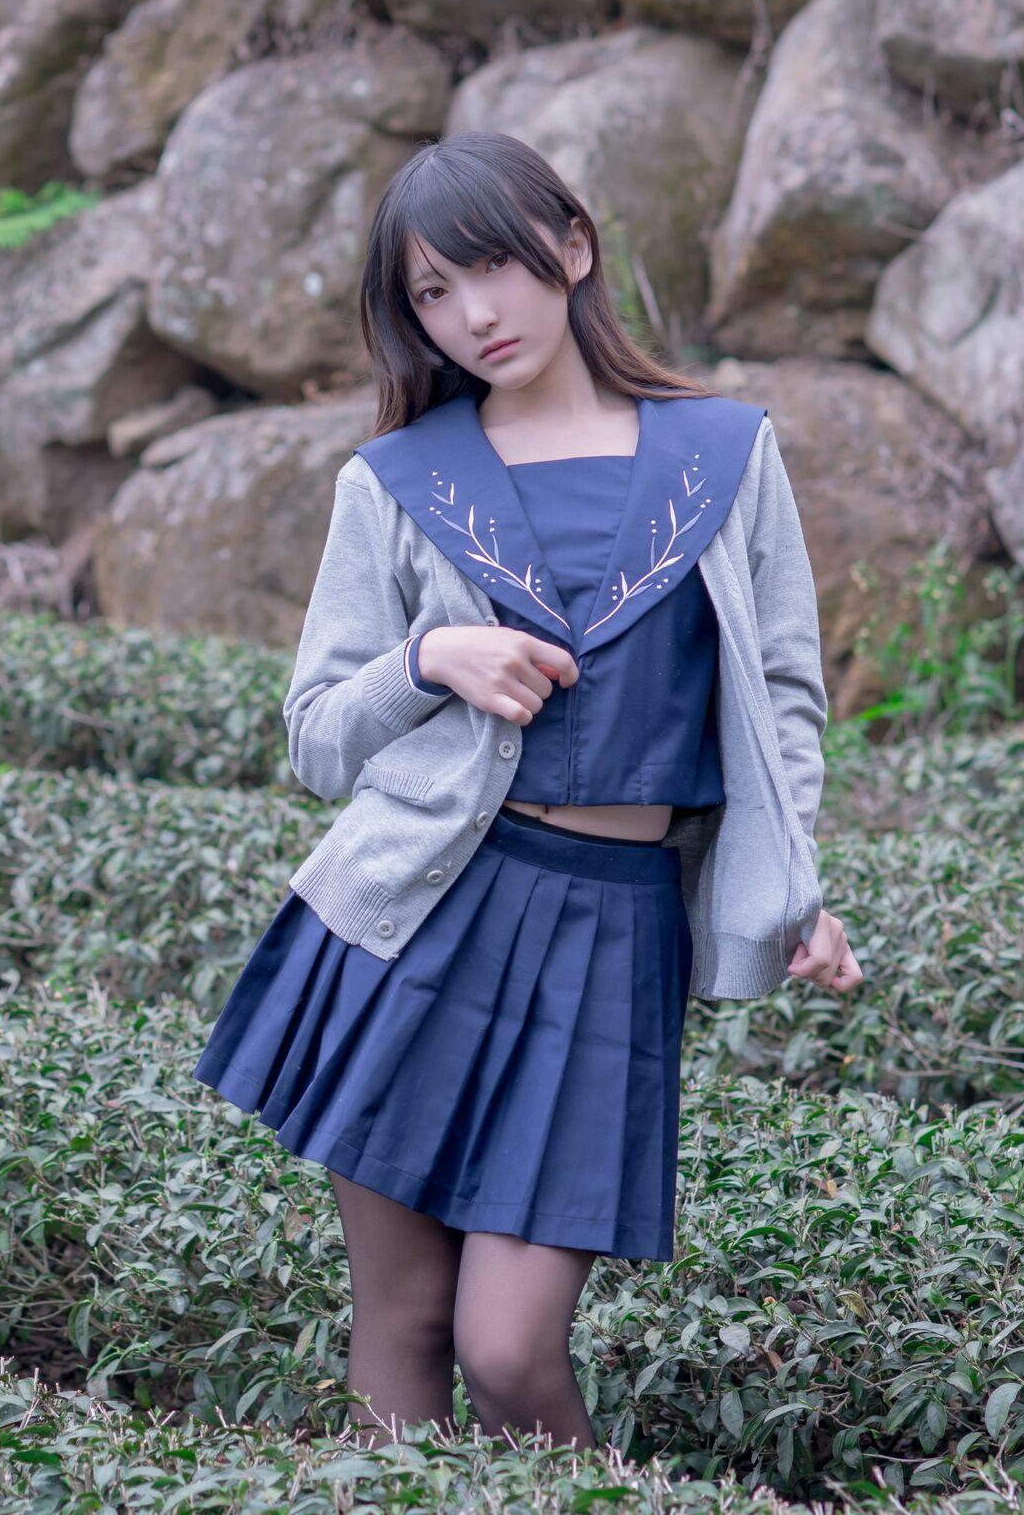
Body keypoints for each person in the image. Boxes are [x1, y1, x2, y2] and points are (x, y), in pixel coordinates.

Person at [190, 131, 865, 1455]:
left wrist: (795, 888)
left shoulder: (724, 455)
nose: (473, 315)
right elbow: (317, 737)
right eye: (432, 293)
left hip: (612, 928)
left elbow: (782, 699)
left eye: (492, 267)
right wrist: (430, 659)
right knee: (404, 1321)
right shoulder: (399, 480)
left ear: (573, 246)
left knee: (510, 1351)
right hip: (424, 918)